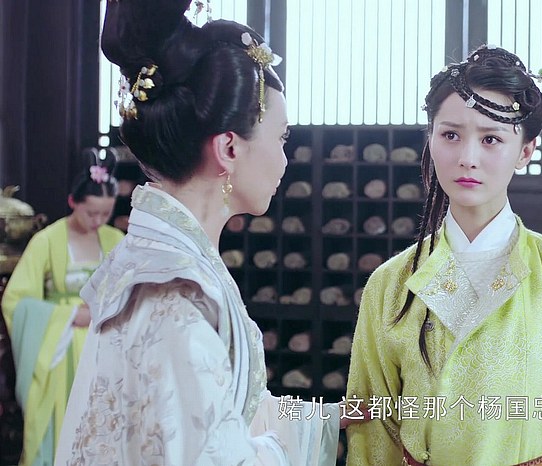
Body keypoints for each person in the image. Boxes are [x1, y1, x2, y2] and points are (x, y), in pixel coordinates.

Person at [55, 1, 363, 464]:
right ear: (229, 149)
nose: (285, 159)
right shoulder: (174, 292)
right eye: (281, 138)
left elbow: (231, 413)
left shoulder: (166, 264)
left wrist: (340, 416)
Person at [346, 45, 542, 466]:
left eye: (491, 139)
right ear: (431, 139)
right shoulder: (389, 284)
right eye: (450, 135)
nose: (467, 158)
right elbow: (371, 422)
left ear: (525, 151)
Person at [1, 156, 124, 466]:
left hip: (105, 343)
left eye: (106, 214)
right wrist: (68, 316)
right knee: (62, 421)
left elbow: (130, 290)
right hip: (61, 346)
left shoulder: (116, 240)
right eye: (91, 212)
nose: (98, 221)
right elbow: (15, 299)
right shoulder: (47, 240)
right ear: (73, 202)